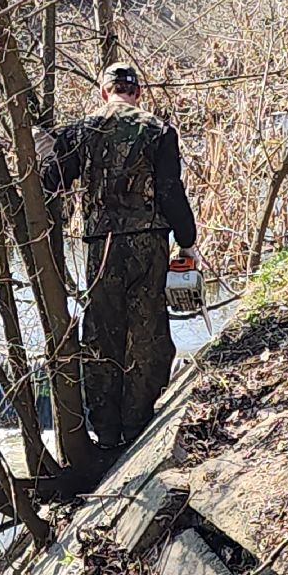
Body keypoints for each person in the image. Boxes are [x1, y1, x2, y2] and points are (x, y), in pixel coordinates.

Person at [38, 61, 199, 449]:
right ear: (138, 93)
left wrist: (44, 150)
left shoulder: (83, 129)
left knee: (101, 335)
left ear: (103, 91)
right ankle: (140, 423)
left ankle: (107, 433)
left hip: (101, 246)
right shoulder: (158, 130)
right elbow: (169, 190)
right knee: (148, 332)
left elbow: (54, 181)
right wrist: (187, 239)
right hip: (149, 244)